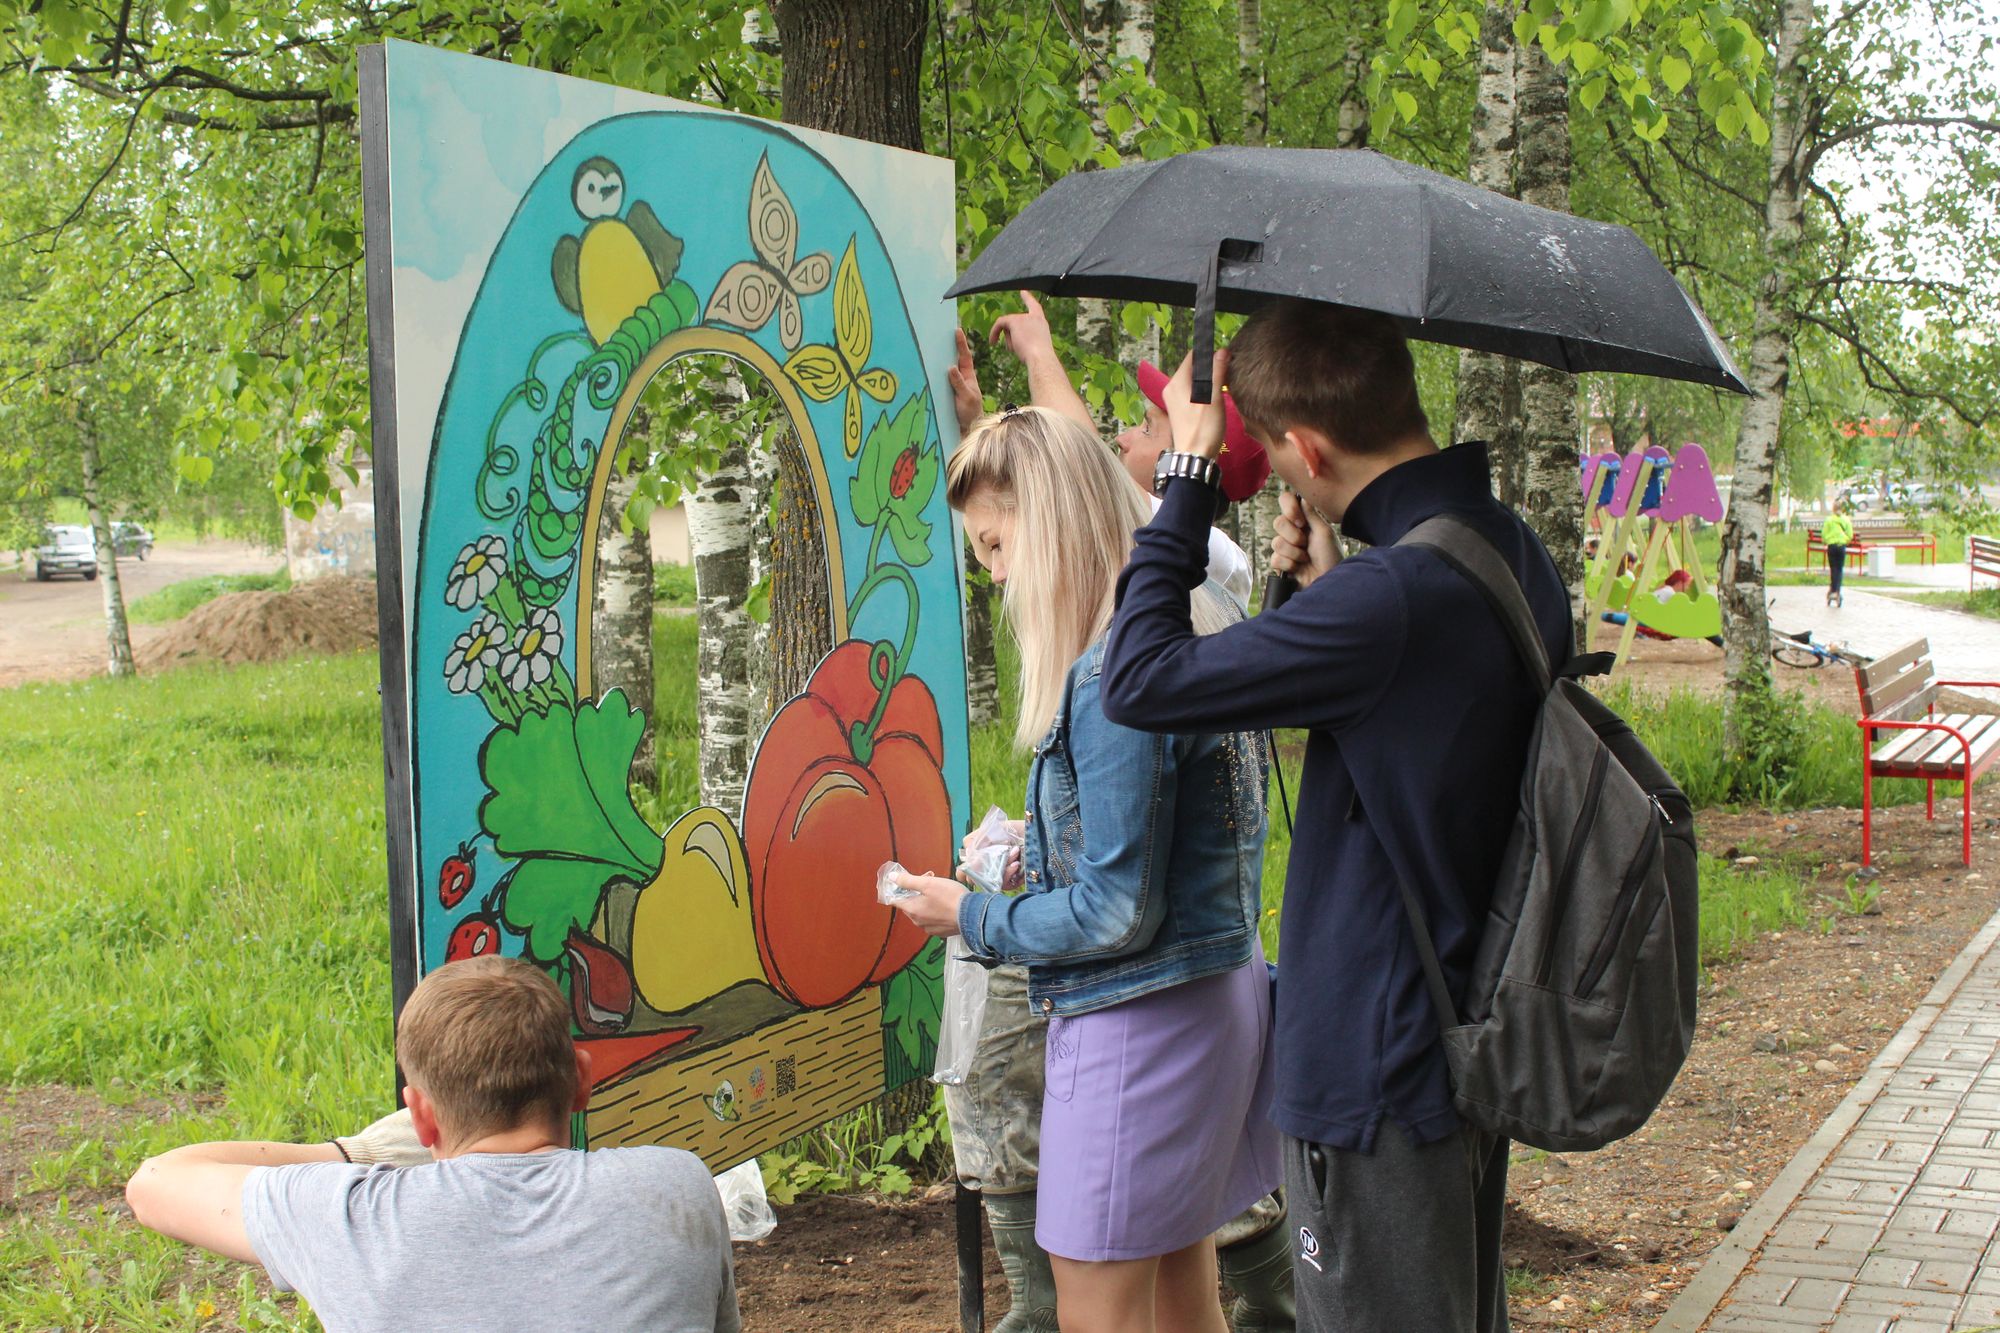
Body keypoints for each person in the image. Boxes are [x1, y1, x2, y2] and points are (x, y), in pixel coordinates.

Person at [1099, 298, 1573, 1333]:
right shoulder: (1501, 548)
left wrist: (1186, 480)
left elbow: (1137, 679)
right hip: (1458, 1025)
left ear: (1307, 449)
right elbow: (1407, 732)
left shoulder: (1393, 596)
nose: (1278, 470)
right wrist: (1321, 587)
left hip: (1375, 1061)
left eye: (1273, 452)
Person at [889, 404, 1280, 1333]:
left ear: (1052, 515)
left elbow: (1114, 911)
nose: (995, 574)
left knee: (1099, 1307)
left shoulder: (1113, 675)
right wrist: (1040, 843)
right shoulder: (1197, 617)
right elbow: (1167, 835)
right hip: (1211, 996)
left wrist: (967, 915)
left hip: (1140, 1024)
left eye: (995, 544)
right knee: (1184, 1293)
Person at [125, 956, 740, 1333]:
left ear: (419, 1116)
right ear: (581, 1080)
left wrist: (356, 1155)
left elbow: (154, 1184)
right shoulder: (676, 1186)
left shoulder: (351, 1216)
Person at [951, 291, 1267, 610]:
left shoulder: (1221, 558)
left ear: (1189, 453)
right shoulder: (1111, 540)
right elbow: (997, 539)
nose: (1122, 439)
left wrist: (1038, 353)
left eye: (1147, 429)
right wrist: (972, 429)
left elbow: (1088, 470)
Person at [1822, 505, 1854, 607]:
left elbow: (1824, 535)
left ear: (1833, 509)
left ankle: (1832, 589)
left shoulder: (1829, 520)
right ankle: (1837, 591)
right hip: (1841, 546)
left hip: (1831, 546)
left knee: (1833, 569)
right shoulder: (1846, 520)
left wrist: (1827, 541)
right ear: (1842, 509)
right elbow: (1850, 535)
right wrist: (1845, 541)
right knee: (1839, 569)